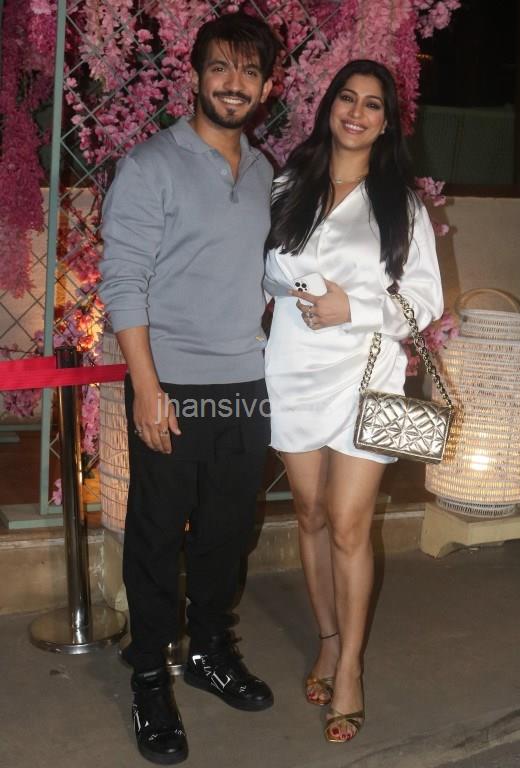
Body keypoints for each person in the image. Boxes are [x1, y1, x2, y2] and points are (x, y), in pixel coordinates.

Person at [100, 13, 279, 765]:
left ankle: (207, 651)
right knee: (154, 537)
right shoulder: (151, 166)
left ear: (266, 87)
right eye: (220, 68)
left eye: (249, 72)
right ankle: (149, 675)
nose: (234, 84)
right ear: (196, 75)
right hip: (171, 384)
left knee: (228, 534)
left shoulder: (265, 172)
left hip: (245, 384)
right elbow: (123, 281)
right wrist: (146, 388)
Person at [264, 59, 444, 743]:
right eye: (348, 98)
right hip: (292, 365)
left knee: (347, 522)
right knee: (309, 513)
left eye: (373, 104)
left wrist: (356, 307)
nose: (357, 112)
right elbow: (265, 269)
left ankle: (350, 670)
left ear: (387, 122)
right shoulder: (290, 181)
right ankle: (328, 639)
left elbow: (425, 300)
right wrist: (297, 284)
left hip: (367, 373)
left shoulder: (402, 203)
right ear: (330, 106)